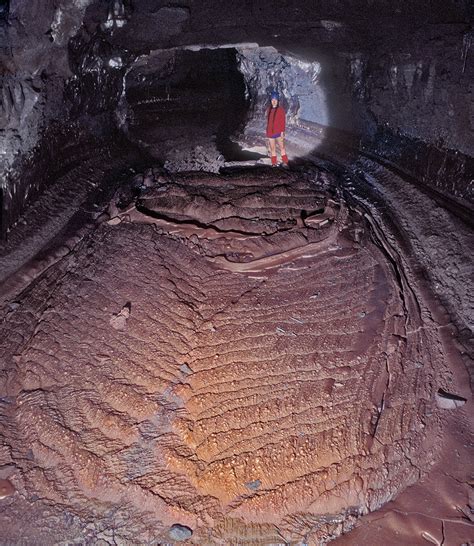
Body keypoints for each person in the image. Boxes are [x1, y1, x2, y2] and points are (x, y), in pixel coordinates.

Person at [266, 91, 289, 167]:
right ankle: (274, 163)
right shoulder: (269, 109)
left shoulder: (280, 110)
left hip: (278, 132)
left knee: (282, 147)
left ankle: (285, 162)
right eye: (272, 100)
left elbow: (283, 121)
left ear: (278, 101)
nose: (274, 102)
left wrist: (282, 131)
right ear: (271, 101)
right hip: (270, 132)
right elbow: (268, 121)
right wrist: (267, 132)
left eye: (275, 100)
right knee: (273, 149)